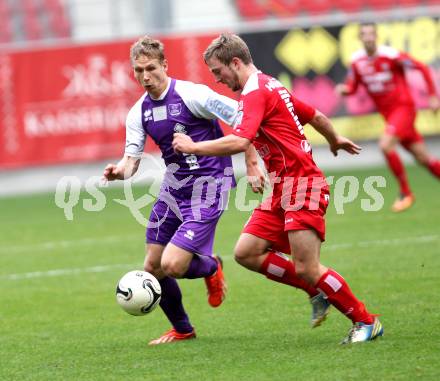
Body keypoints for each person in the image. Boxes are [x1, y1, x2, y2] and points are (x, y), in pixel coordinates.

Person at [172, 33, 383, 344]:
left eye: (218, 72)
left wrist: (193, 146)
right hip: (283, 189)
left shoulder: (256, 92)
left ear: (235, 62)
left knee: (308, 266)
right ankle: (315, 290)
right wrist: (334, 139)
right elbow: (315, 115)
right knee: (246, 252)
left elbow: (241, 141)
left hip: (302, 185)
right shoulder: (270, 85)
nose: (217, 79)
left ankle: (366, 321)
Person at [103, 35, 252, 345]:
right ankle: (183, 329)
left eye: (151, 68)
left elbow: (244, 120)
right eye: (138, 70)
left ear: (165, 65)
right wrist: (120, 172)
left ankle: (211, 266)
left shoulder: (191, 94)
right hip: (174, 188)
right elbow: (131, 162)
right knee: (153, 266)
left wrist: (251, 163)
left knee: (173, 265)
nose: (145, 76)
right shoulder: (138, 112)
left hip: (210, 184)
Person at [336, 22, 440, 212]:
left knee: (385, 145)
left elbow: (422, 68)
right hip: (389, 115)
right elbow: (353, 86)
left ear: (376, 36)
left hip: (404, 110)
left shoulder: (391, 55)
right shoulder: (357, 61)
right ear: (360, 38)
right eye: (364, 34)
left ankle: (406, 193)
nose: (368, 37)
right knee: (424, 158)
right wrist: (345, 90)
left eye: (371, 34)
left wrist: (433, 96)